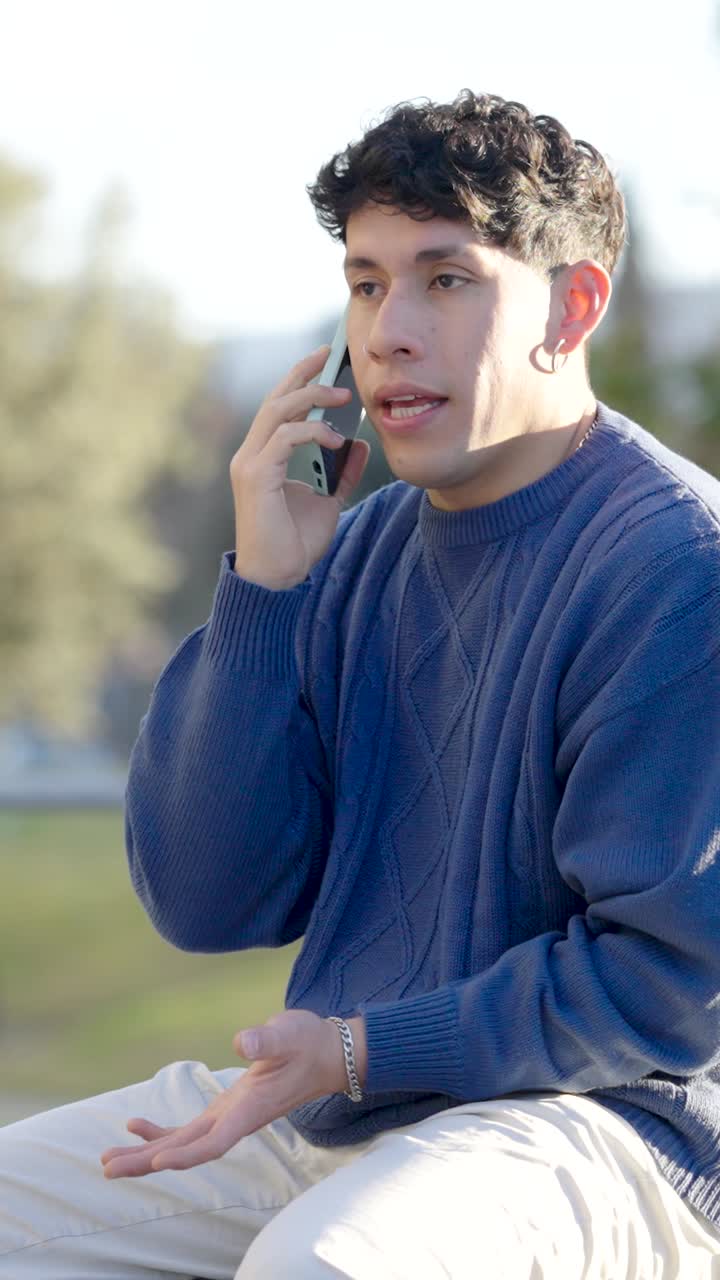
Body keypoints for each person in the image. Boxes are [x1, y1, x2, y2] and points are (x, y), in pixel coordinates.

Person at [1, 89, 720, 1280]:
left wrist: (360, 1047)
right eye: (368, 280)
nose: (389, 330)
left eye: (447, 279)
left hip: (604, 1130)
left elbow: (672, 985)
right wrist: (266, 590)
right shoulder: (365, 549)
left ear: (575, 304)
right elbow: (205, 898)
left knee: (322, 1263)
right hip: (347, 1102)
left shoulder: (678, 566)